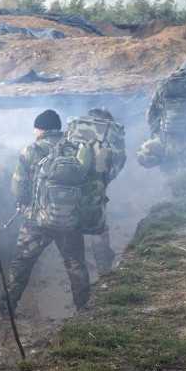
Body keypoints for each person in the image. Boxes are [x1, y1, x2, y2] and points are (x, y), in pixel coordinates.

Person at [3, 109, 91, 315]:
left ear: (39, 129)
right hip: (70, 219)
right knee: (75, 264)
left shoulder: (30, 150)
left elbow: (18, 187)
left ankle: (7, 308)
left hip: (36, 222)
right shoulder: (76, 149)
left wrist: (22, 204)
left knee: (21, 263)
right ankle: (84, 310)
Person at [65, 108, 127, 274]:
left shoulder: (74, 131)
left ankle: (77, 272)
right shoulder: (110, 135)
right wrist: (103, 182)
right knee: (98, 230)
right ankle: (104, 271)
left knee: (71, 230)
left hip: (66, 190)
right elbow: (118, 163)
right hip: (94, 191)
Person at [137, 60, 186, 172]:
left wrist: (156, 132)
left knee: (159, 153)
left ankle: (168, 178)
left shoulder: (164, 83)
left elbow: (151, 113)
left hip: (167, 133)